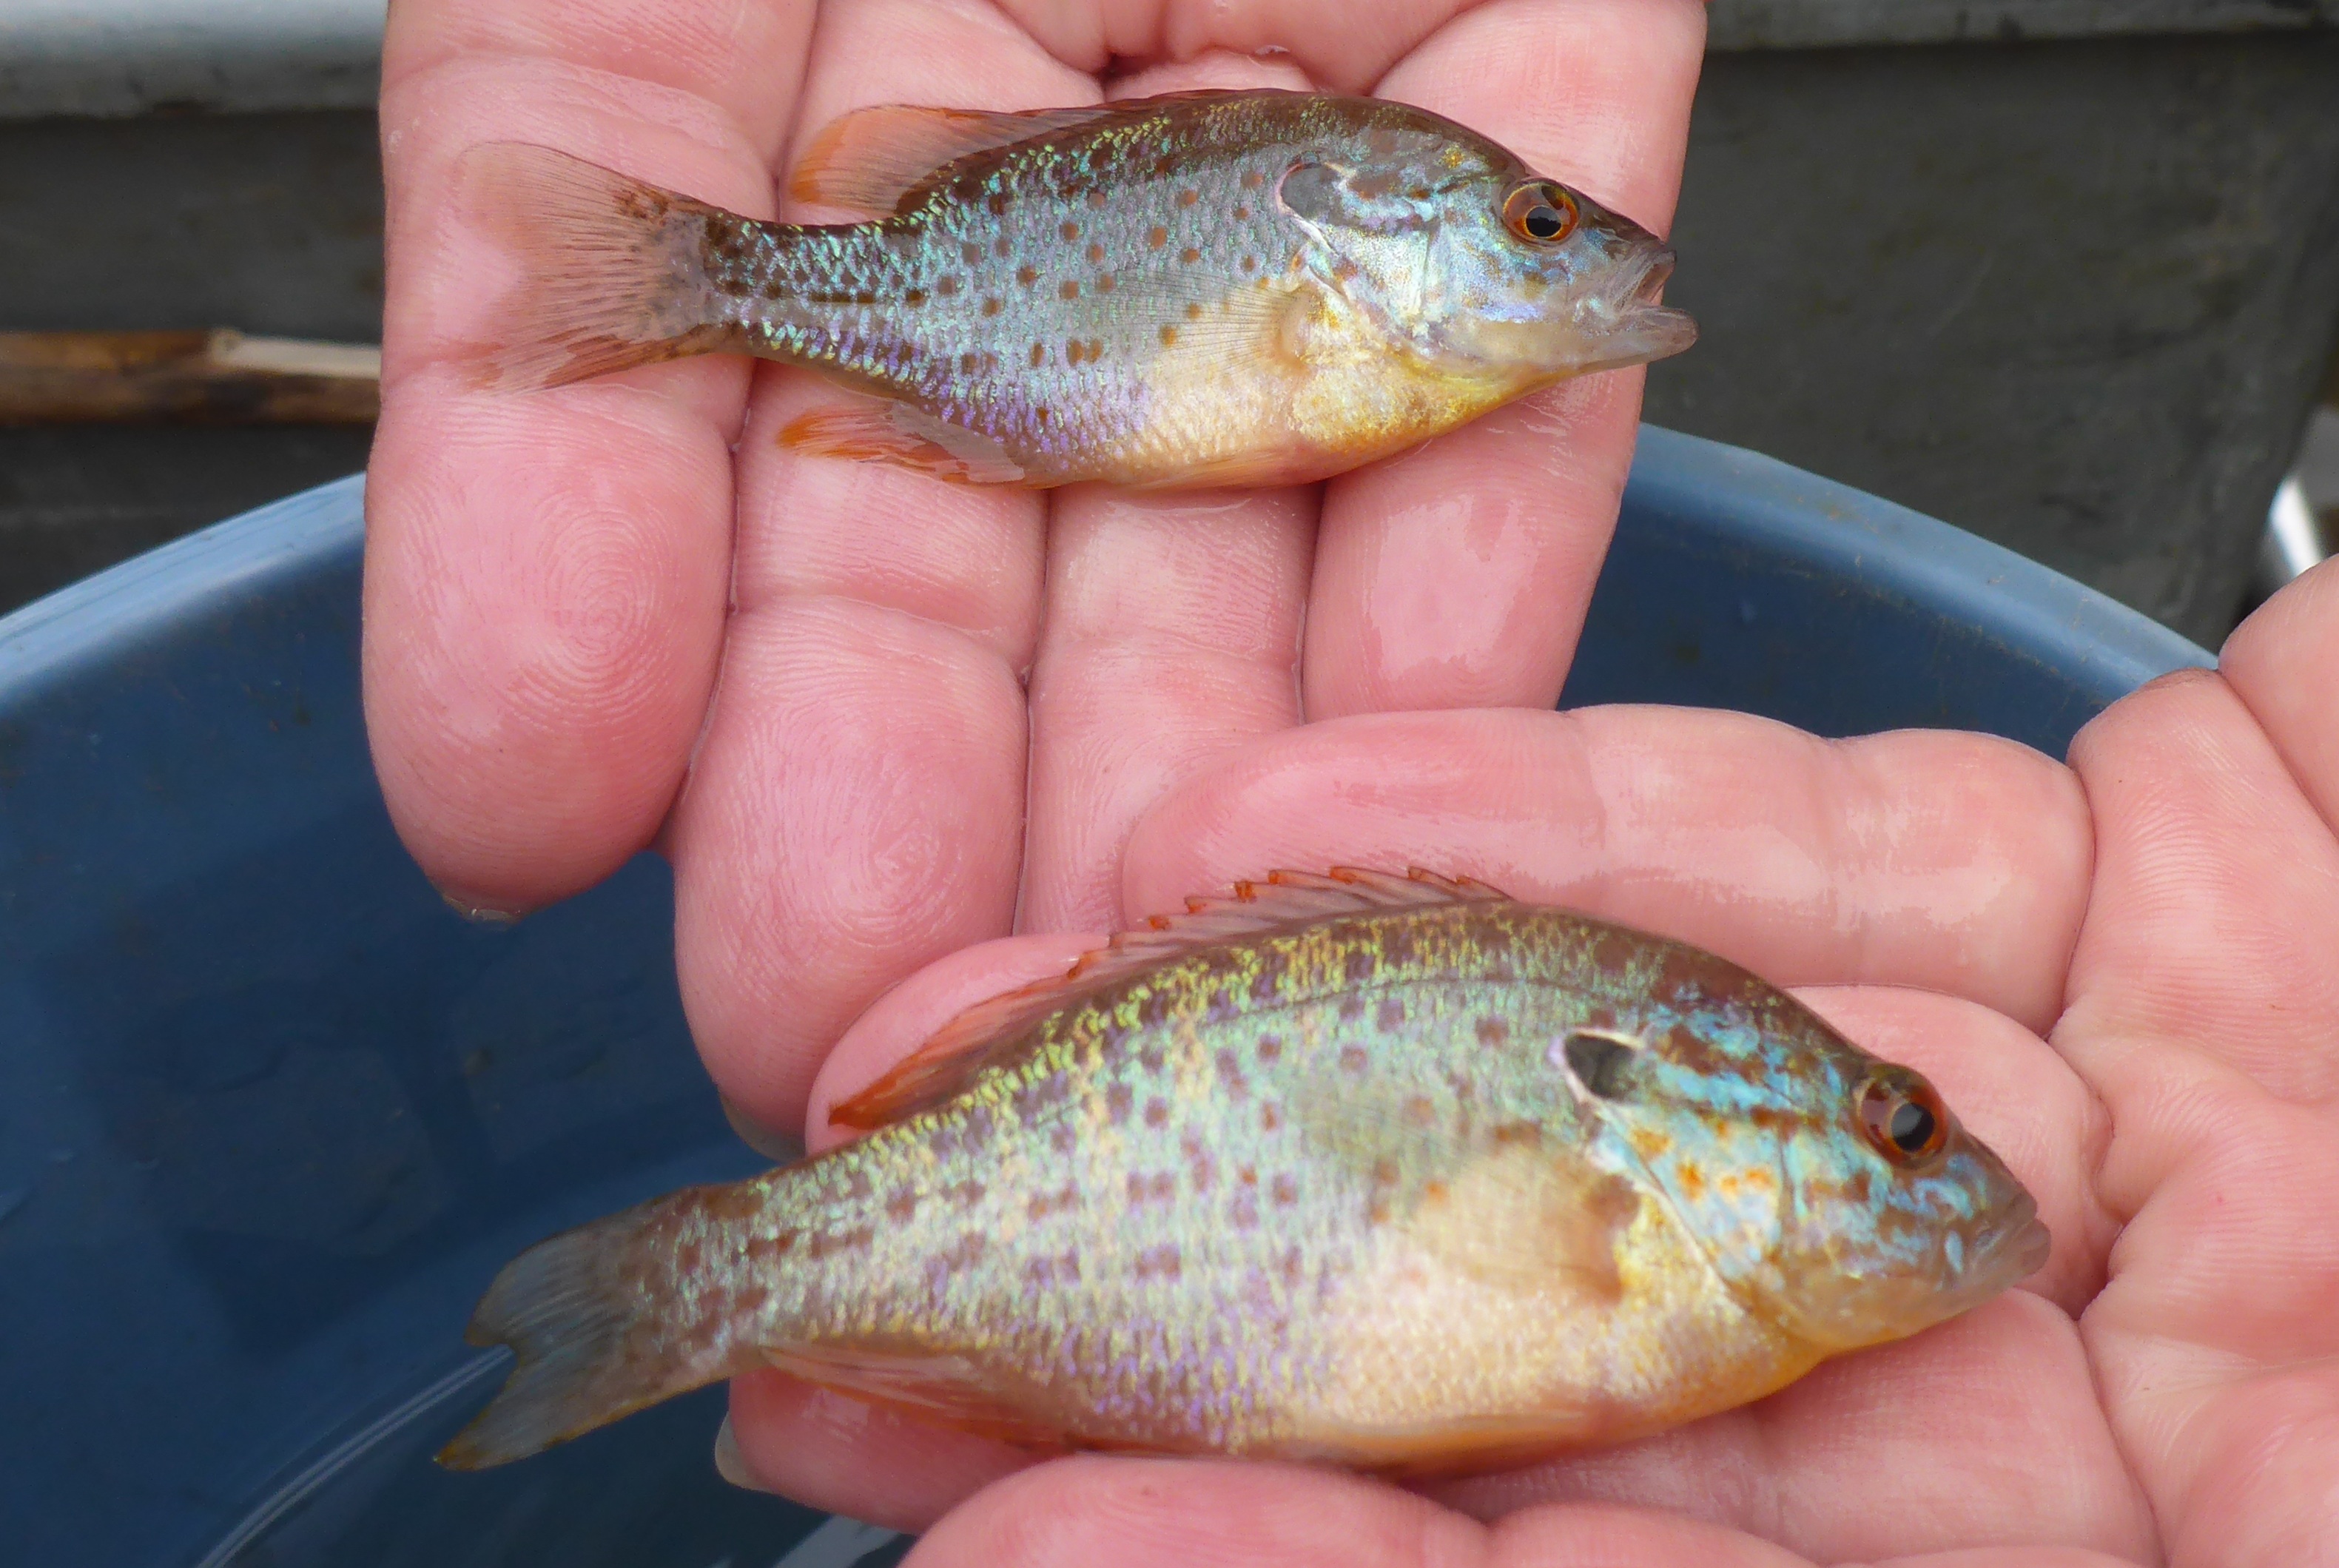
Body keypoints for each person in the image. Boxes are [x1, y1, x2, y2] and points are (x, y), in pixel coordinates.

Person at [363, 1, 2339, 1561]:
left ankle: (711, 1281)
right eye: (1537, 229)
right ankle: (710, 1280)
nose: (1584, 256)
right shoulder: (1651, 1226)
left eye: (1905, 1130)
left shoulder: (1670, 1220)